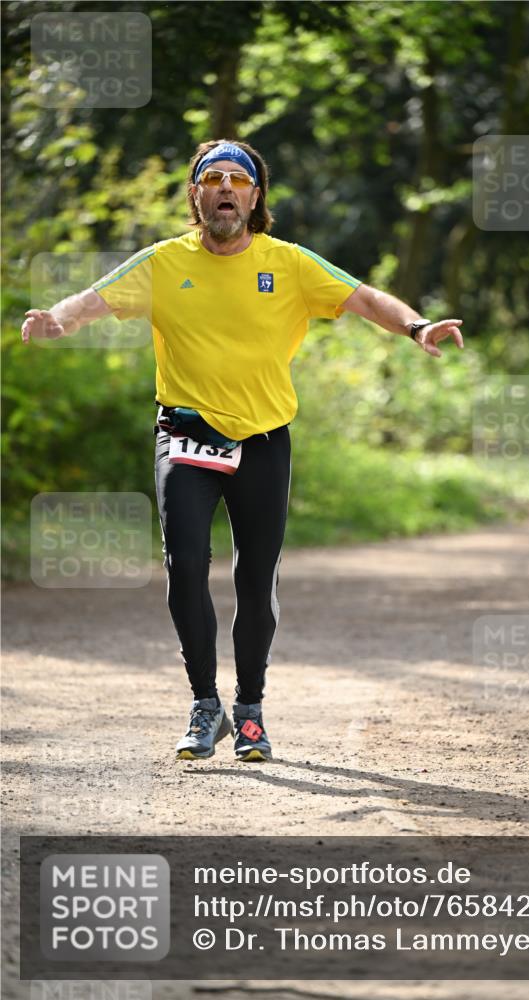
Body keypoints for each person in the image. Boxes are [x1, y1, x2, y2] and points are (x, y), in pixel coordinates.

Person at [21, 138, 464, 763]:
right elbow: (94, 299)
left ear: (255, 197)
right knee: (184, 568)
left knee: (255, 580)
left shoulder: (288, 265)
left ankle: (250, 710)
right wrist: (58, 320)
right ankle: (206, 706)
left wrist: (417, 325)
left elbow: (364, 297)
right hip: (185, 433)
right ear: (197, 195)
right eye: (213, 179)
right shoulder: (162, 262)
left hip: (262, 442)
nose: (225, 188)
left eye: (238, 179)